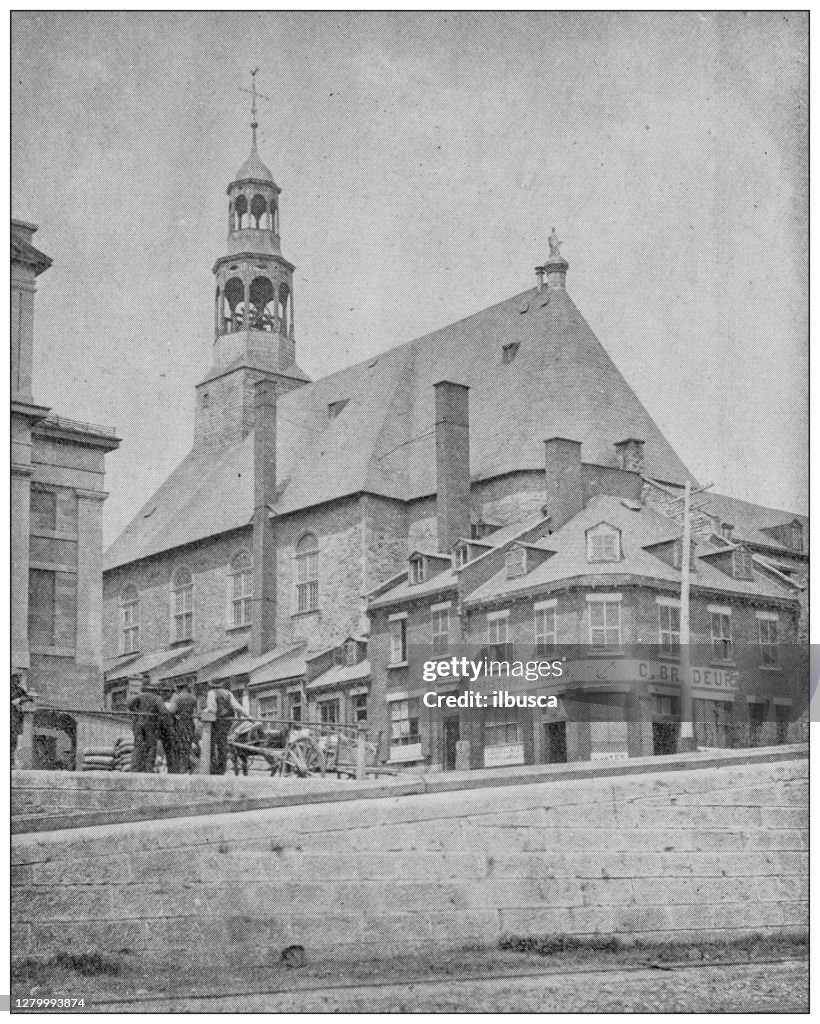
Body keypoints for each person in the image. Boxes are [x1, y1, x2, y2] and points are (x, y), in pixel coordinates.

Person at [127, 680, 171, 773]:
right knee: (151, 747)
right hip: (151, 725)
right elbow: (163, 712)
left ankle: (135, 769)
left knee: (138, 746)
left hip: (139, 725)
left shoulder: (140, 696)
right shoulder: (157, 698)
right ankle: (148, 769)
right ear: (155, 689)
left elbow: (129, 705)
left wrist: (137, 712)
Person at [205, 679, 247, 775]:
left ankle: (214, 769)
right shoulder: (228, 693)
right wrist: (247, 715)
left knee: (211, 744)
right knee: (222, 744)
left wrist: (205, 711)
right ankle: (222, 768)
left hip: (217, 722)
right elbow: (237, 707)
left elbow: (212, 709)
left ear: (212, 686)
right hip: (227, 722)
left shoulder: (211, 693)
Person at [165, 679, 198, 773]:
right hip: (190, 724)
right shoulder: (193, 698)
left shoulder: (177, 698)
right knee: (187, 746)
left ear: (179, 688)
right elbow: (195, 714)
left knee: (178, 747)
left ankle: (180, 769)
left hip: (179, 724)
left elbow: (171, 711)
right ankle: (186, 767)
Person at [11, 674, 31, 767]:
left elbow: (28, 698)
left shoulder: (19, 689)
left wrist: (23, 699)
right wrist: (19, 700)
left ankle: (12, 759)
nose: (17, 680)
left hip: (16, 717)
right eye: (15, 678)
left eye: (19, 679)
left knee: (15, 738)